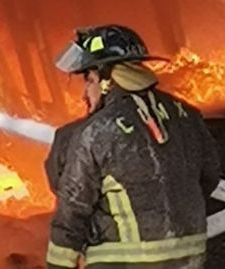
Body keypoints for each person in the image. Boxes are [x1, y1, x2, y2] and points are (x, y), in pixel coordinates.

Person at [47, 25, 221, 269]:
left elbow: (73, 209)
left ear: (105, 79)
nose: (85, 94)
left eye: (88, 81)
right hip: (190, 258)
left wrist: (58, 265)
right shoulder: (188, 116)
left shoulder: (95, 130)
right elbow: (210, 176)